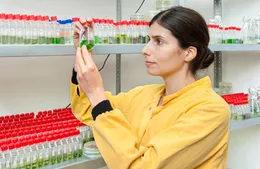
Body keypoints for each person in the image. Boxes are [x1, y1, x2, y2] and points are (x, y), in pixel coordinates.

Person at [70, 6, 230, 169]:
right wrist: (83, 53)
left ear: (188, 53)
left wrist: (97, 92)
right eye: (148, 40)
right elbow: (87, 109)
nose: (145, 50)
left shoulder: (211, 110)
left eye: (159, 41)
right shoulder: (144, 95)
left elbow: (143, 166)